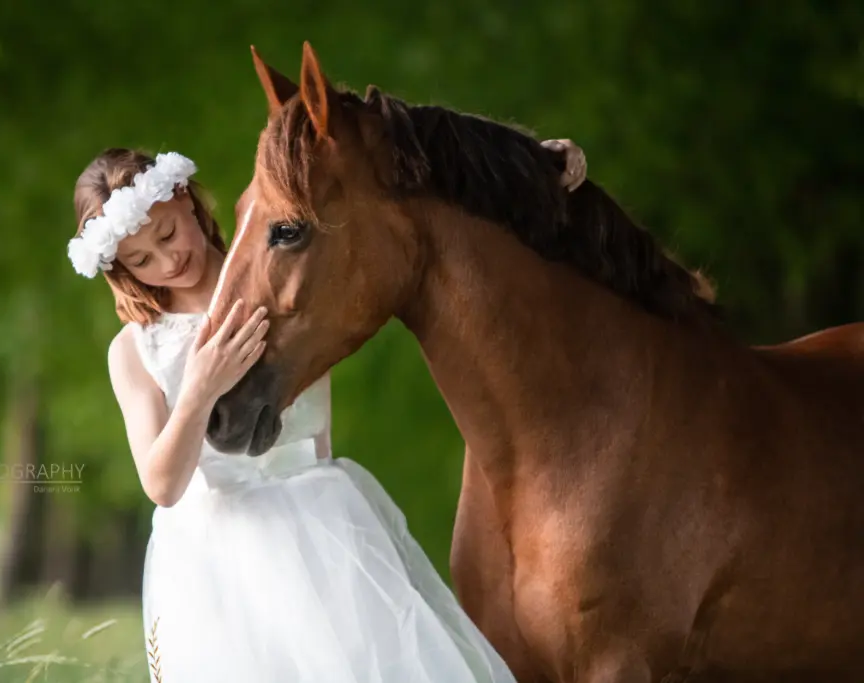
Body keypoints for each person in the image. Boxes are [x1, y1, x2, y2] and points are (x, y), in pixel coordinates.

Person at [68, 140, 587, 682]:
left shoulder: (278, 275)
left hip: (328, 527)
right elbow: (162, 486)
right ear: (120, 271)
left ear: (186, 201)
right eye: (141, 261)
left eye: (169, 234)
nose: (168, 260)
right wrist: (199, 388)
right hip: (218, 566)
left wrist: (518, 169)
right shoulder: (136, 350)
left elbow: (387, 209)